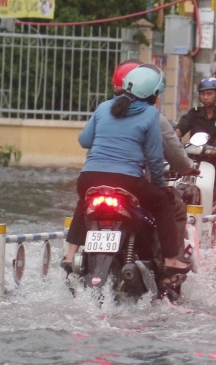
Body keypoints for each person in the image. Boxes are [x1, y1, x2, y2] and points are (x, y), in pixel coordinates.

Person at [62, 65, 189, 281]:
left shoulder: (103, 107)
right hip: (127, 181)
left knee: (84, 203)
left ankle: (70, 254)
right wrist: (159, 186)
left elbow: (84, 140)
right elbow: (154, 158)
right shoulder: (150, 114)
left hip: (89, 178)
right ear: (153, 95)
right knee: (164, 203)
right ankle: (170, 260)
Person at [175, 76, 216, 181]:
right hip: (195, 159)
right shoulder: (193, 113)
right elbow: (179, 130)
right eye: (203, 94)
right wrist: (171, 137)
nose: (205, 97)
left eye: (209, 94)